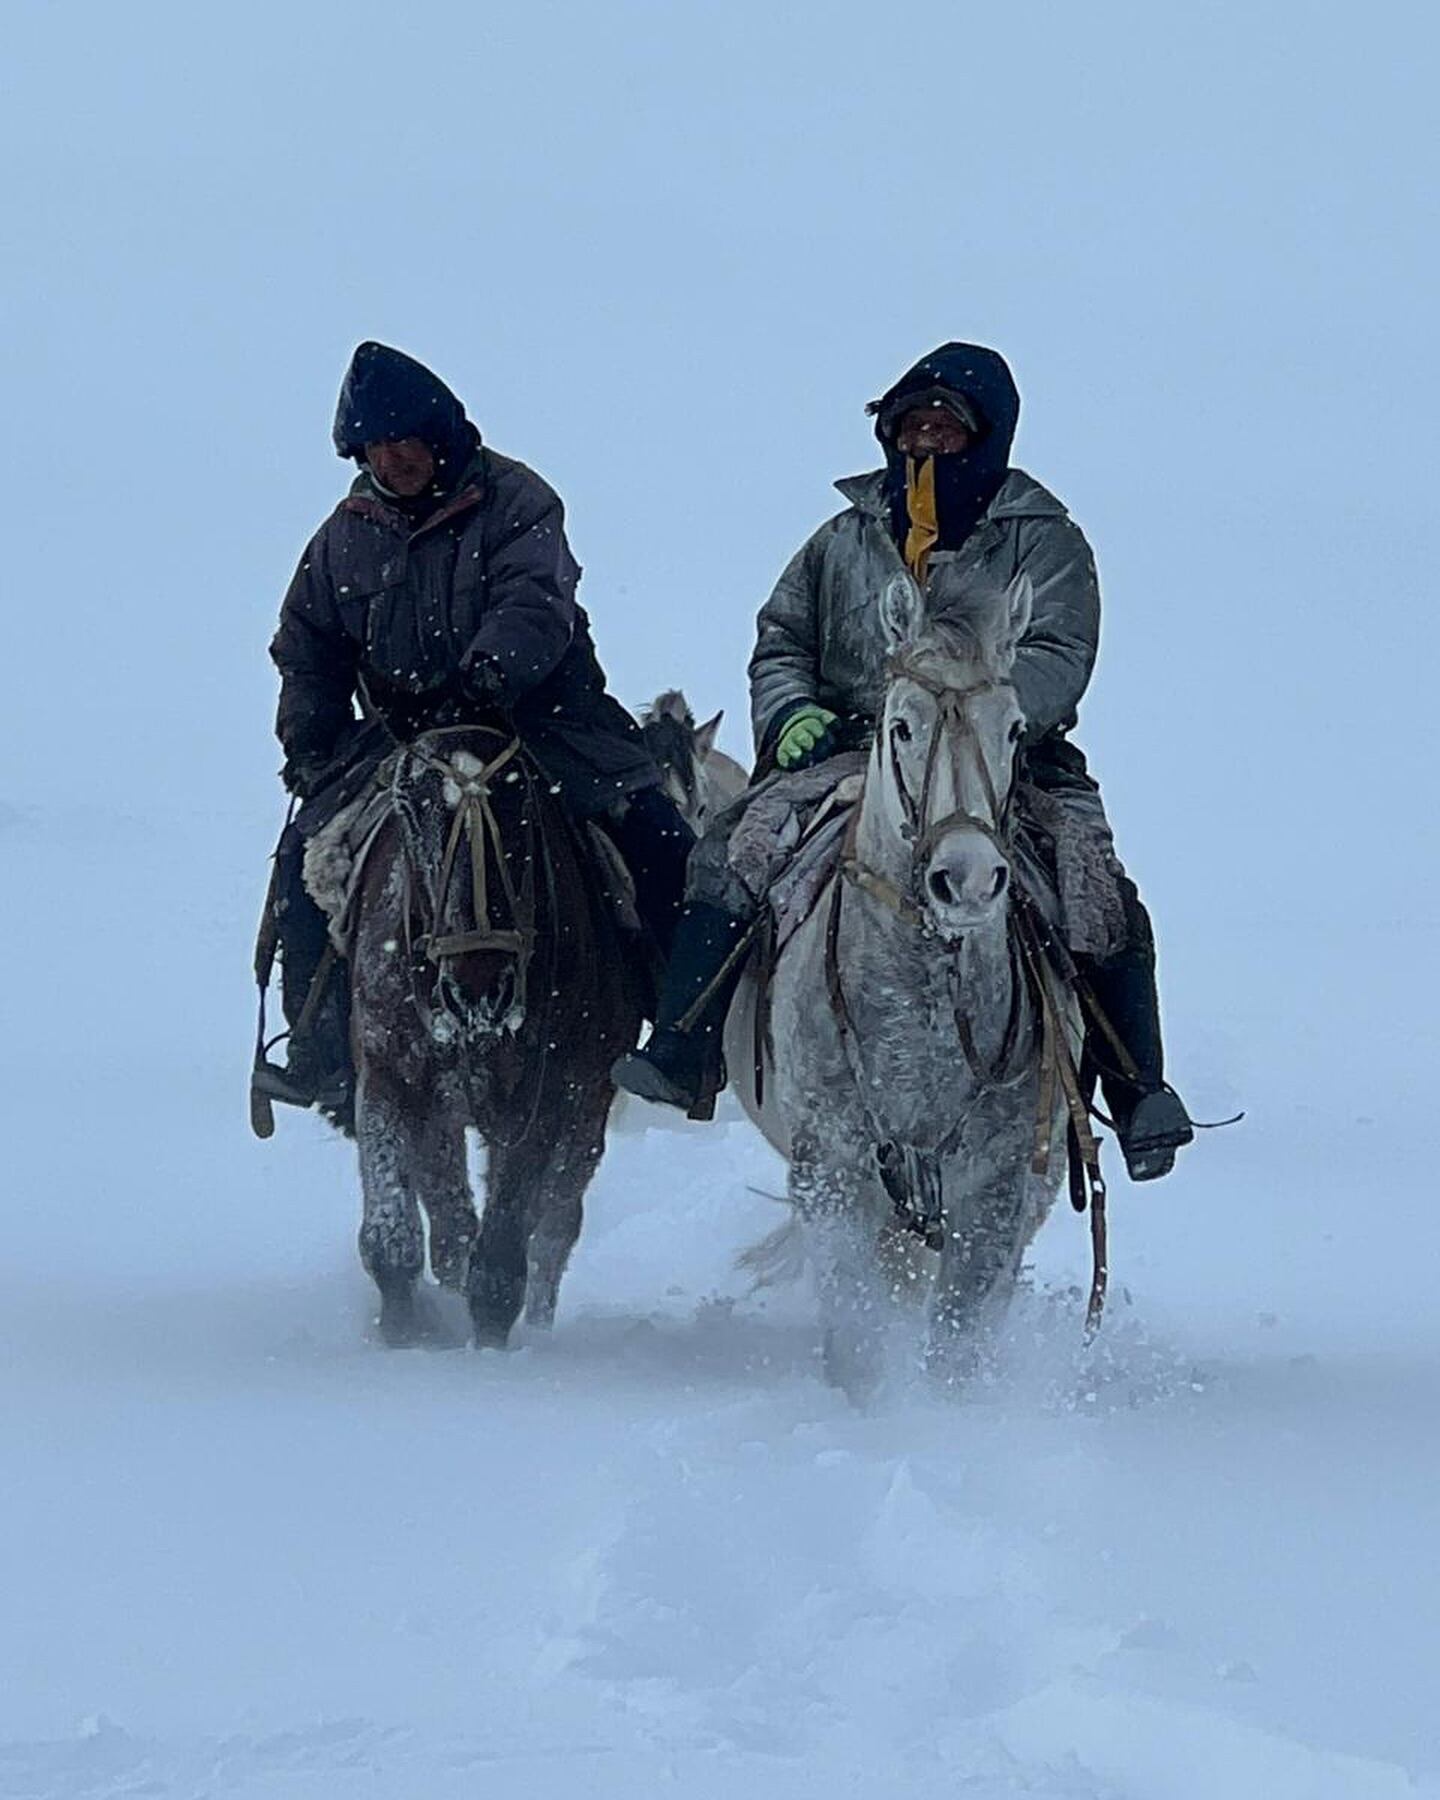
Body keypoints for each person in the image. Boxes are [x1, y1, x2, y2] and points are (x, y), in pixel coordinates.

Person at [615, 342, 1193, 1181]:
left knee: (1096, 887)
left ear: (985, 439)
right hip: (849, 748)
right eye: (912, 428)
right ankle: (685, 1048)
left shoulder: (1044, 539)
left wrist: (979, 707)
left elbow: (1063, 646)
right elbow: (782, 636)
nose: (925, 444)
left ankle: (1138, 1091)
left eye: (945, 431)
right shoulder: (842, 538)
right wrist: (792, 715)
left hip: (1006, 753)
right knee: (731, 854)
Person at [255, 341, 692, 1118]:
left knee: (660, 843)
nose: (393, 463)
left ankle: (682, 1034)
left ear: (442, 437)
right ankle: (321, 1049)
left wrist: (487, 676)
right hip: (399, 738)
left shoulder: (519, 501)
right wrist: (311, 740)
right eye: (375, 451)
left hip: (543, 722)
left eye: (405, 445)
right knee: (301, 866)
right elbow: (308, 643)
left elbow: (536, 600)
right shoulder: (343, 535)